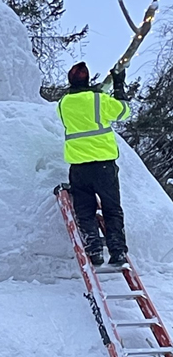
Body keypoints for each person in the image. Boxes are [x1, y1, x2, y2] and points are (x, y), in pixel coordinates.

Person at [57, 61, 132, 266]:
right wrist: (118, 86)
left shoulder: (63, 104)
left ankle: (94, 249)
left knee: (84, 210)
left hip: (79, 166)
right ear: (88, 79)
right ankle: (117, 251)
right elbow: (125, 112)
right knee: (111, 208)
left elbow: (80, 108)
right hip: (104, 165)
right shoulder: (99, 100)